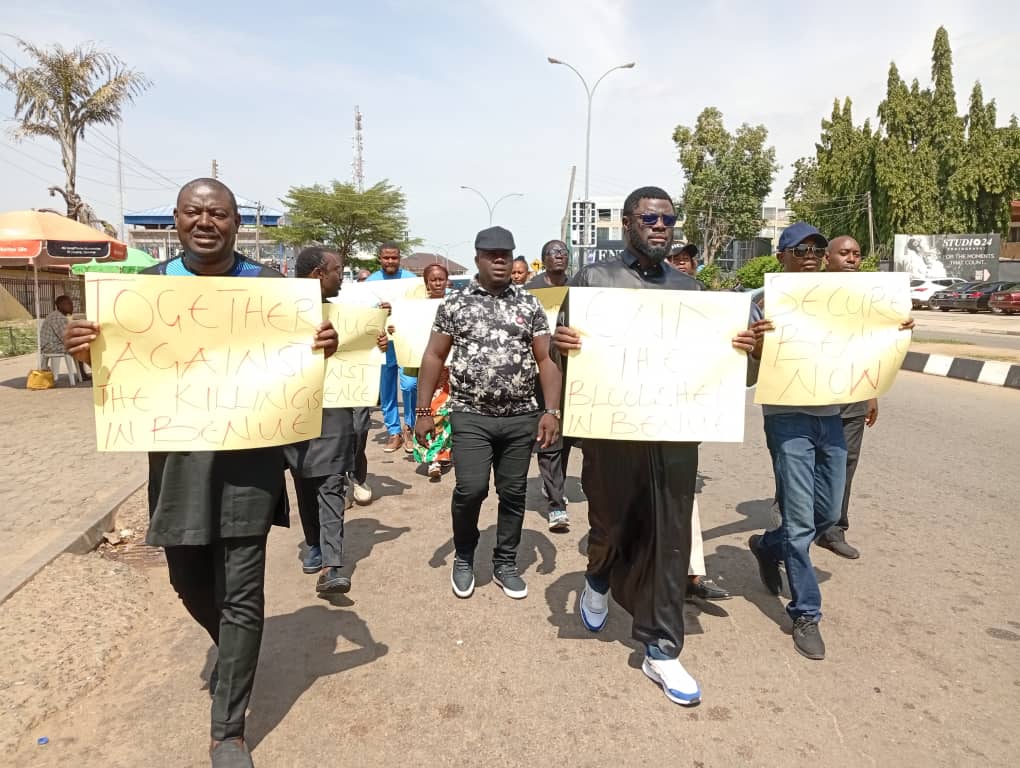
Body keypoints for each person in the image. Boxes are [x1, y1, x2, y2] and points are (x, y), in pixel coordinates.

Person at [64, 178, 338, 768]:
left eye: (219, 213)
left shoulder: (271, 289)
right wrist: (83, 347)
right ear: (177, 220)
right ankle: (233, 650)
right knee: (187, 580)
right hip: (177, 464)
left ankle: (229, 730)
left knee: (243, 593)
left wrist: (323, 344)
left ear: (238, 222)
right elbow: (108, 365)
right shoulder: (143, 291)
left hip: (249, 463)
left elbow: (302, 357)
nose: (206, 221)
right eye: (195, 212)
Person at [552, 186, 760, 706]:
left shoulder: (690, 288)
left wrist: (746, 351)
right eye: (650, 218)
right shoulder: (593, 281)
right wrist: (564, 348)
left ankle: (661, 649)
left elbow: (735, 374)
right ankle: (598, 575)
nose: (661, 226)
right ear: (627, 222)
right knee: (612, 525)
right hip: (612, 431)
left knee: (668, 538)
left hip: (672, 435)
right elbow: (563, 356)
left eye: (669, 218)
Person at [748, 224, 912, 661]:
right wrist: (757, 345)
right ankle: (806, 613)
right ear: (780, 256)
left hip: (832, 418)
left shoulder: (844, 300)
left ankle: (766, 546)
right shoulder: (760, 303)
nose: (811, 255)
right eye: (800, 249)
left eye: (818, 248)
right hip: (788, 421)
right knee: (802, 522)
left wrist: (895, 330)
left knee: (826, 515)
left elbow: (866, 347)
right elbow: (747, 372)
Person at [415, 226, 561, 601]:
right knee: (471, 489)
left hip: (519, 417)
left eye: (505, 254)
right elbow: (434, 355)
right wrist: (422, 410)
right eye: (491, 254)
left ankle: (505, 562)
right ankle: (464, 556)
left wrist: (551, 411)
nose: (499, 260)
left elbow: (545, 358)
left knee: (512, 493)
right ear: (478, 257)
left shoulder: (528, 305)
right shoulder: (456, 304)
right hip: (470, 414)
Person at [286, 246, 358, 593]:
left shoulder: (345, 314)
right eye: (337, 269)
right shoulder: (279, 310)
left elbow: (360, 355)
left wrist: (376, 341)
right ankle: (313, 543)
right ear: (318, 273)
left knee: (330, 480)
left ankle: (332, 563)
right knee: (303, 477)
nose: (341, 275)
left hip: (333, 408)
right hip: (291, 409)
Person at [665, 244, 730, 600]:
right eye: (673, 260)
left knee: (684, 496)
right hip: (635, 413)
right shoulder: (637, 298)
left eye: (685, 260)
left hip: (685, 416)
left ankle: (692, 575)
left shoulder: (711, 305)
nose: (680, 265)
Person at [524, 240, 571, 531]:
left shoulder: (580, 287)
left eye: (564, 252)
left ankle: (556, 482)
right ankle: (557, 504)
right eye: (554, 253)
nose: (560, 256)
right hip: (541, 372)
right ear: (543, 259)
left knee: (568, 435)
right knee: (550, 435)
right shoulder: (530, 291)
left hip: (576, 371)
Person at [367, 243, 418, 453]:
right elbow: (364, 311)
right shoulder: (371, 282)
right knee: (387, 390)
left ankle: (411, 428)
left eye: (394, 258)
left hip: (406, 341)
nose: (390, 261)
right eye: (386, 258)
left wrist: (396, 308)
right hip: (382, 343)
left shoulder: (411, 280)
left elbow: (418, 307)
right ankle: (394, 432)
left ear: (400, 258)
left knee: (409, 385)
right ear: (379, 258)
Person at [413, 264, 453, 479]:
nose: (437, 283)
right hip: (431, 370)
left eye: (441, 279)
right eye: (433, 280)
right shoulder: (416, 309)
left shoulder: (455, 304)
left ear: (447, 281)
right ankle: (433, 458)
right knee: (432, 410)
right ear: (426, 282)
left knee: (449, 414)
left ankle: (446, 453)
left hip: (453, 367)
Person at [40, 294, 90, 380]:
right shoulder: (58, 318)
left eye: (71, 304)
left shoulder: (58, 315)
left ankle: (82, 374)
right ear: (60, 305)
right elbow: (66, 338)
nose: (72, 307)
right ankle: (83, 374)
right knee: (81, 347)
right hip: (51, 346)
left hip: (52, 344)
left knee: (80, 344)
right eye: (69, 304)